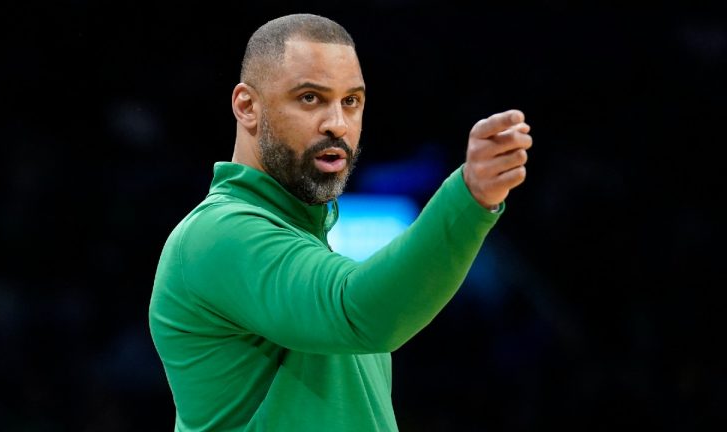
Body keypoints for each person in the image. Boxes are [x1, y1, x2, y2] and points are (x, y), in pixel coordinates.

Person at [149, 12, 532, 431]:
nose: (337, 124)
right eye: (310, 98)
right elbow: (361, 311)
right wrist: (468, 198)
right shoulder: (218, 234)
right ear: (247, 106)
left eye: (351, 101)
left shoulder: (307, 237)